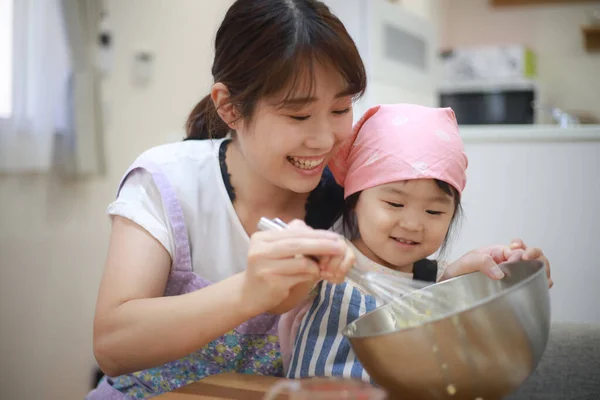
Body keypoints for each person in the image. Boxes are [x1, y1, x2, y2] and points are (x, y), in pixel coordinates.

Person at [87, 1, 551, 398]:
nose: (325, 138)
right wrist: (250, 294)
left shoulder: (348, 201)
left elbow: (384, 299)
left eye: (340, 109)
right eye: (299, 113)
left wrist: (455, 284)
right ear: (229, 107)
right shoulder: (168, 181)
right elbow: (112, 343)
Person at [280, 104, 553, 381]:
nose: (412, 224)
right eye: (395, 203)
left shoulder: (435, 281)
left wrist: (511, 278)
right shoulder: (327, 261)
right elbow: (281, 294)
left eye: (434, 211)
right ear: (355, 201)